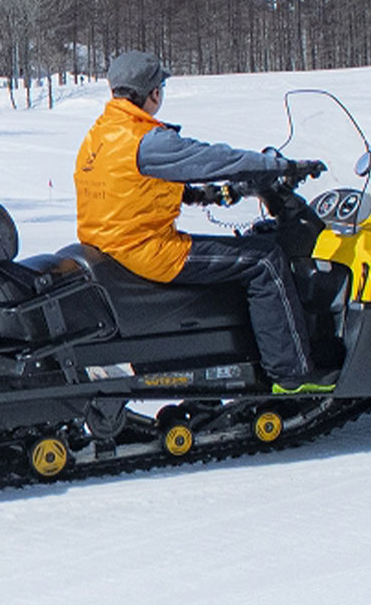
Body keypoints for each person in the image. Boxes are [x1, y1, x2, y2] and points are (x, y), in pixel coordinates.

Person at [74, 51, 331, 394]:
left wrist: (202, 196)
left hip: (109, 245)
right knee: (265, 259)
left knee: (246, 248)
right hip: (146, 250)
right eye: (161, 86)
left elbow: (129, 187)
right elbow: (213, 158)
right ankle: (291, 375)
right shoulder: (147, 140)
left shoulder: (101, 135)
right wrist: (279, 167)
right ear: (153, 93)